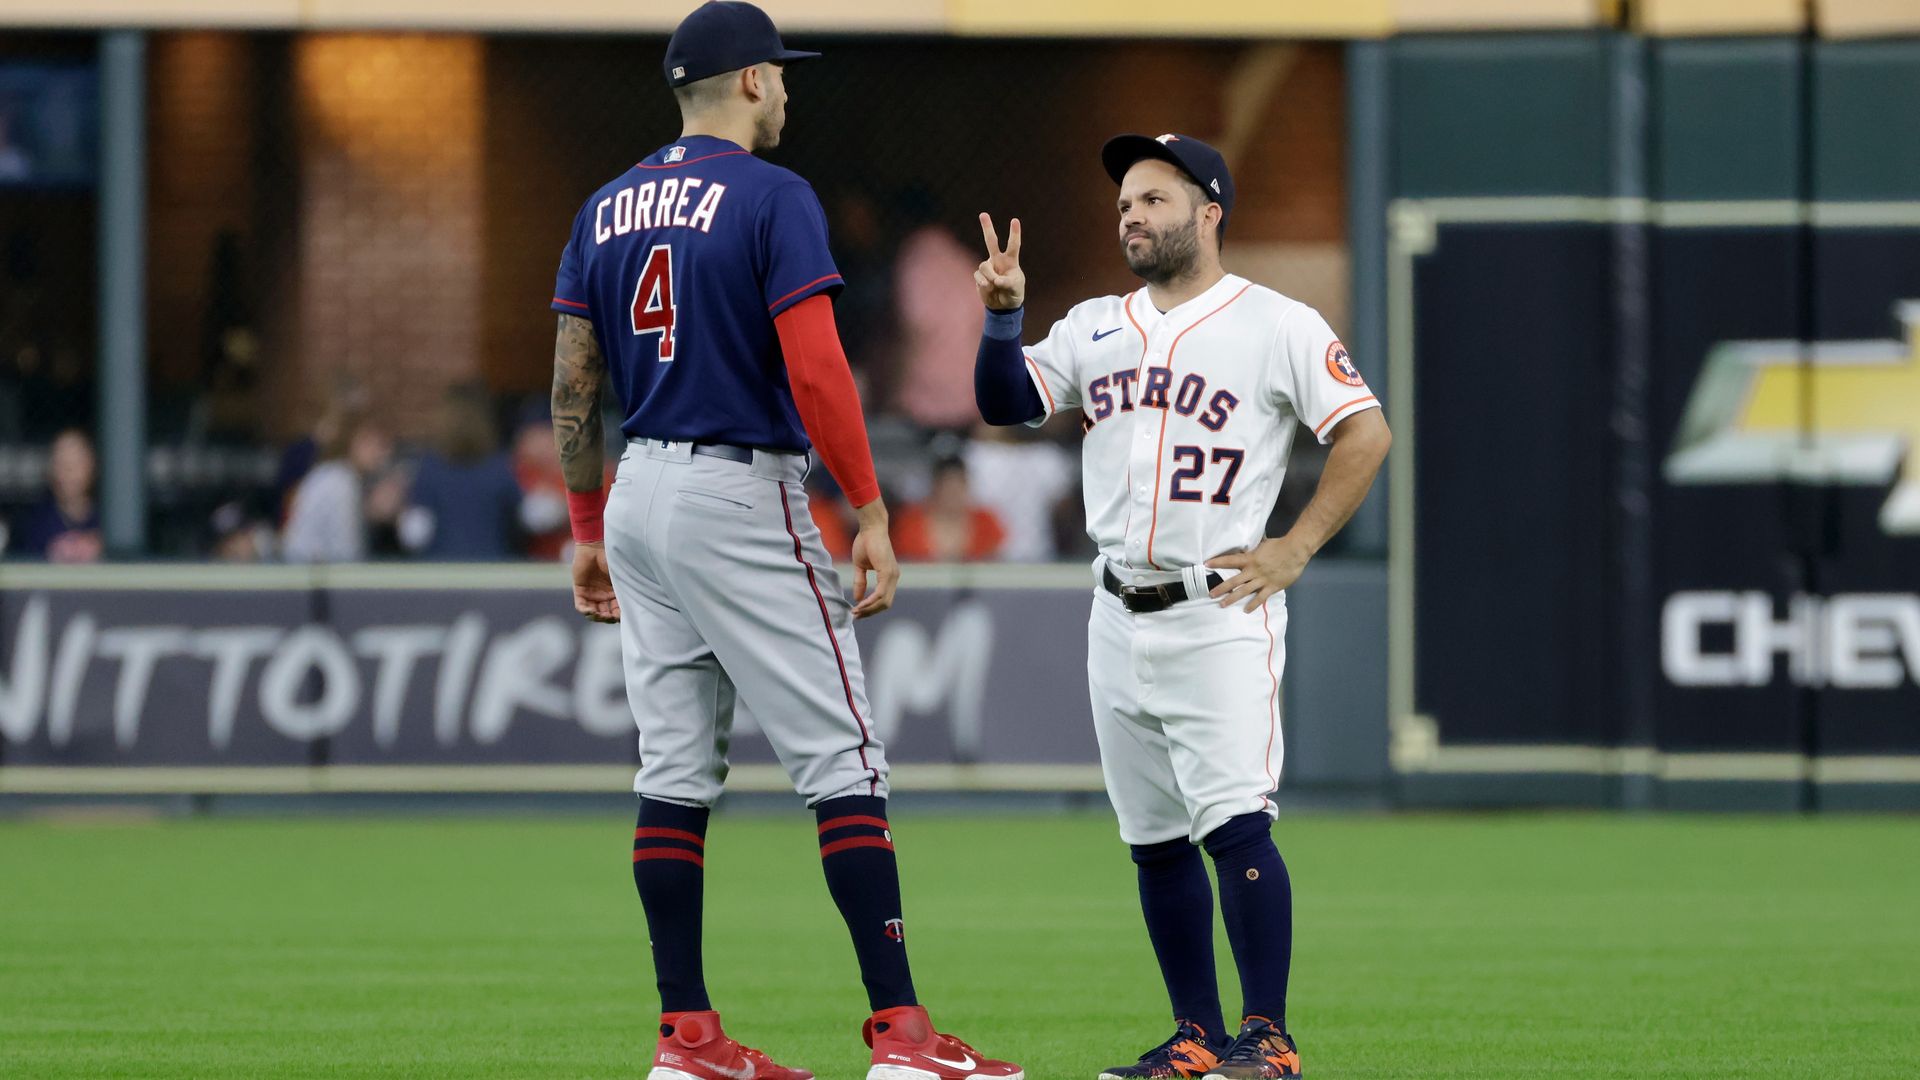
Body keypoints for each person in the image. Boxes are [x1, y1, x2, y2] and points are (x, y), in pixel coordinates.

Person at [545, 6, 1023, 1080]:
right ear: (752, 81)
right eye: (783, 75)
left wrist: (585, 529)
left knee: (672, 771)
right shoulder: (773, 194)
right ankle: (903, 1038)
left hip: (637, 491)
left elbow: (574, 381)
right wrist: (867, 506)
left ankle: (688, 1037)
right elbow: (815, 371)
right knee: (843, 759)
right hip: (736, 490)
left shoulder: (606, 205)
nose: (790, 92)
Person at [972, 133, 1392, 1080]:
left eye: (1155, 199)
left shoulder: (1276, 322)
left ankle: (1269, 1038)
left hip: (1216, 605)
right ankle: (1197, 1036)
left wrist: (1297, 547)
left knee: (1235, 822)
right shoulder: (1093, 324)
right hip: (1116, 606)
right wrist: (1004, 316)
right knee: (1153, 840)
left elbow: (1365, 432)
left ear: (1210, 211)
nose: (1133, 214)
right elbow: (1007, 403)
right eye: (1125, 201)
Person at [401, 383, 524, 560]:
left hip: (441, 572)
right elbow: (528, 518)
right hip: (493, 570)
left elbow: (414, 536)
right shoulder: (500, 467)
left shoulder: (429, 469)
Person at [281, 411, 392, 562]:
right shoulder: (341, 482)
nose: (380, 452)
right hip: (306, 576)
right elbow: (347, 554)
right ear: (351, 442)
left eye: (384, 445)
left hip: (308, 572)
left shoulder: (336, 474)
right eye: (371, 443)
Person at [891, 455, 1006, 562]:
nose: (953, 493)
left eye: (959, 486)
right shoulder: (909, 522)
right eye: (948, 487)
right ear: (935, 487)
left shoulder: (986, 521)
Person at [12, 428, 102, 562]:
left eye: (75, 463)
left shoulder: (111, 522)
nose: (68, 471)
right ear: (51, 469)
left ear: (91, 466)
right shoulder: (32, 524)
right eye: (61, 462)